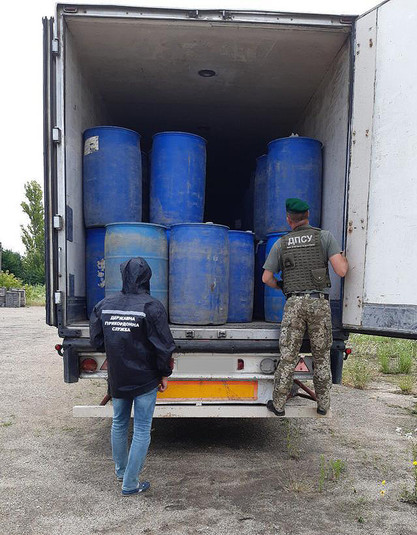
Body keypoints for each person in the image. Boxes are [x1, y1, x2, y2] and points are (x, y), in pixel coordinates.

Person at [89, 257, 175, 496]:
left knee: (119, 422)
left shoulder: (104, 305)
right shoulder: (152, 307)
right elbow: (164, 346)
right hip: (145, 378)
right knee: (142, 429)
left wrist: (116, 351)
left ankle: (121, 472)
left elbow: (96, 341)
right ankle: (130, 483)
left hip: (118, 376)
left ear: (123, 275)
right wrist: (164, 373)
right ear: (147, 277)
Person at [262, 198, 348, 416]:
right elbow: (341, 271)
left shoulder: (281, 243)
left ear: (288, 219)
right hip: (319, 304)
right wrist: (344, 259)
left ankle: (278, 405)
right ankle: (323, 405)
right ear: (308, 215)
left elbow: (266, 278)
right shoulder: (324, 237)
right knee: (321, 356)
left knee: (288, 356)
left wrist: (282, 286)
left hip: (294, 304)